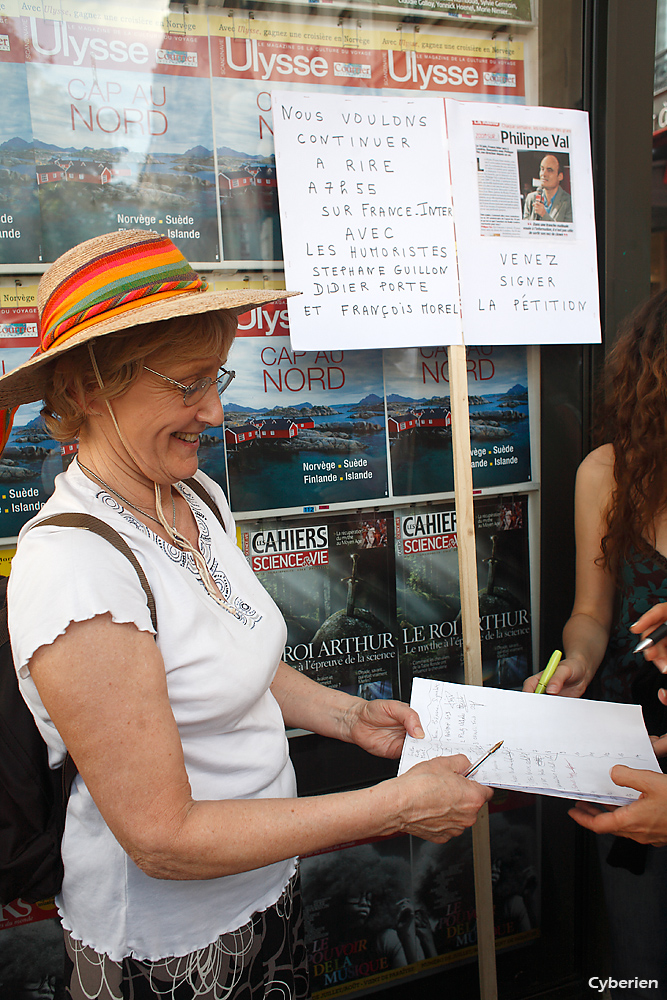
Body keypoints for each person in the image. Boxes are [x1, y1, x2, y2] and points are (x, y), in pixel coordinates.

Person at [2, 229, 492, 1000]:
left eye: (216, 377)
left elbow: (228, 654)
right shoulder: (75, 570)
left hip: (260, 890)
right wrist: (394, 805)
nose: (217, 410)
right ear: (88, 388)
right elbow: (163, 840)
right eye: (187, 384)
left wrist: (346, 716)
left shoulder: (189, 495)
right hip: (166, 946)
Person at [523, 291, 667, 997]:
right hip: (628, 749)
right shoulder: (607, 473)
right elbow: (589, 611)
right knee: (636, 962)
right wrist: (574, 661)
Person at [523, 153, 573, 223]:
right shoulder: (531, 198)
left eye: (549, 170)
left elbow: (566, 232)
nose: (544, 174)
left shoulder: (569, 202)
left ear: (560, 176)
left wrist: (544, 215)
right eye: (542, 169)